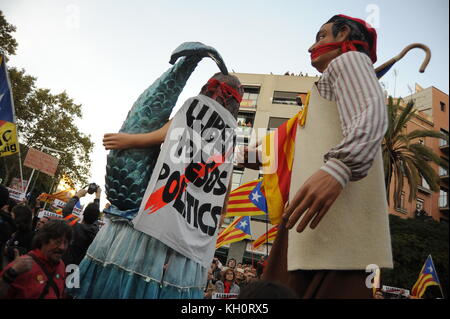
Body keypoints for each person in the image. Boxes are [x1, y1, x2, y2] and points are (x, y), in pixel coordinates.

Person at [244, 14, 393, 299]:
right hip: (312, 223)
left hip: (333, 225)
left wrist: (339, 168)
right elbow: (284, 152)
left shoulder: (349, 61)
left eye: (321, 36)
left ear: (344, 34)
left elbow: (371, 114)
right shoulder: (319, 99)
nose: (312, 47)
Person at [71, 72, 244, 299]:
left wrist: (128, 140)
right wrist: (219, 215)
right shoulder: (231, 135)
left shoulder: (196, 109)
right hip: (189, 229)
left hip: (155, 218)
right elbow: (224, 186)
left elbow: (161, 135)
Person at [0, 220, 72, 299]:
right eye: (57, 242)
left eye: (65, 243)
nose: (62, 247)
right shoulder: (22, 265)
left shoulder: (61, 265)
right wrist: (11, 274)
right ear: (44, 240)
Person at [61, 187, 101, 266]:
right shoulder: (95, 232)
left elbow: (66, 211)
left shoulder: (74, 227)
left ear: (83, 213)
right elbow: (94, 215)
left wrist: (77, 195)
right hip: (79, 269)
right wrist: (98, 196)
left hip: (64, 265)